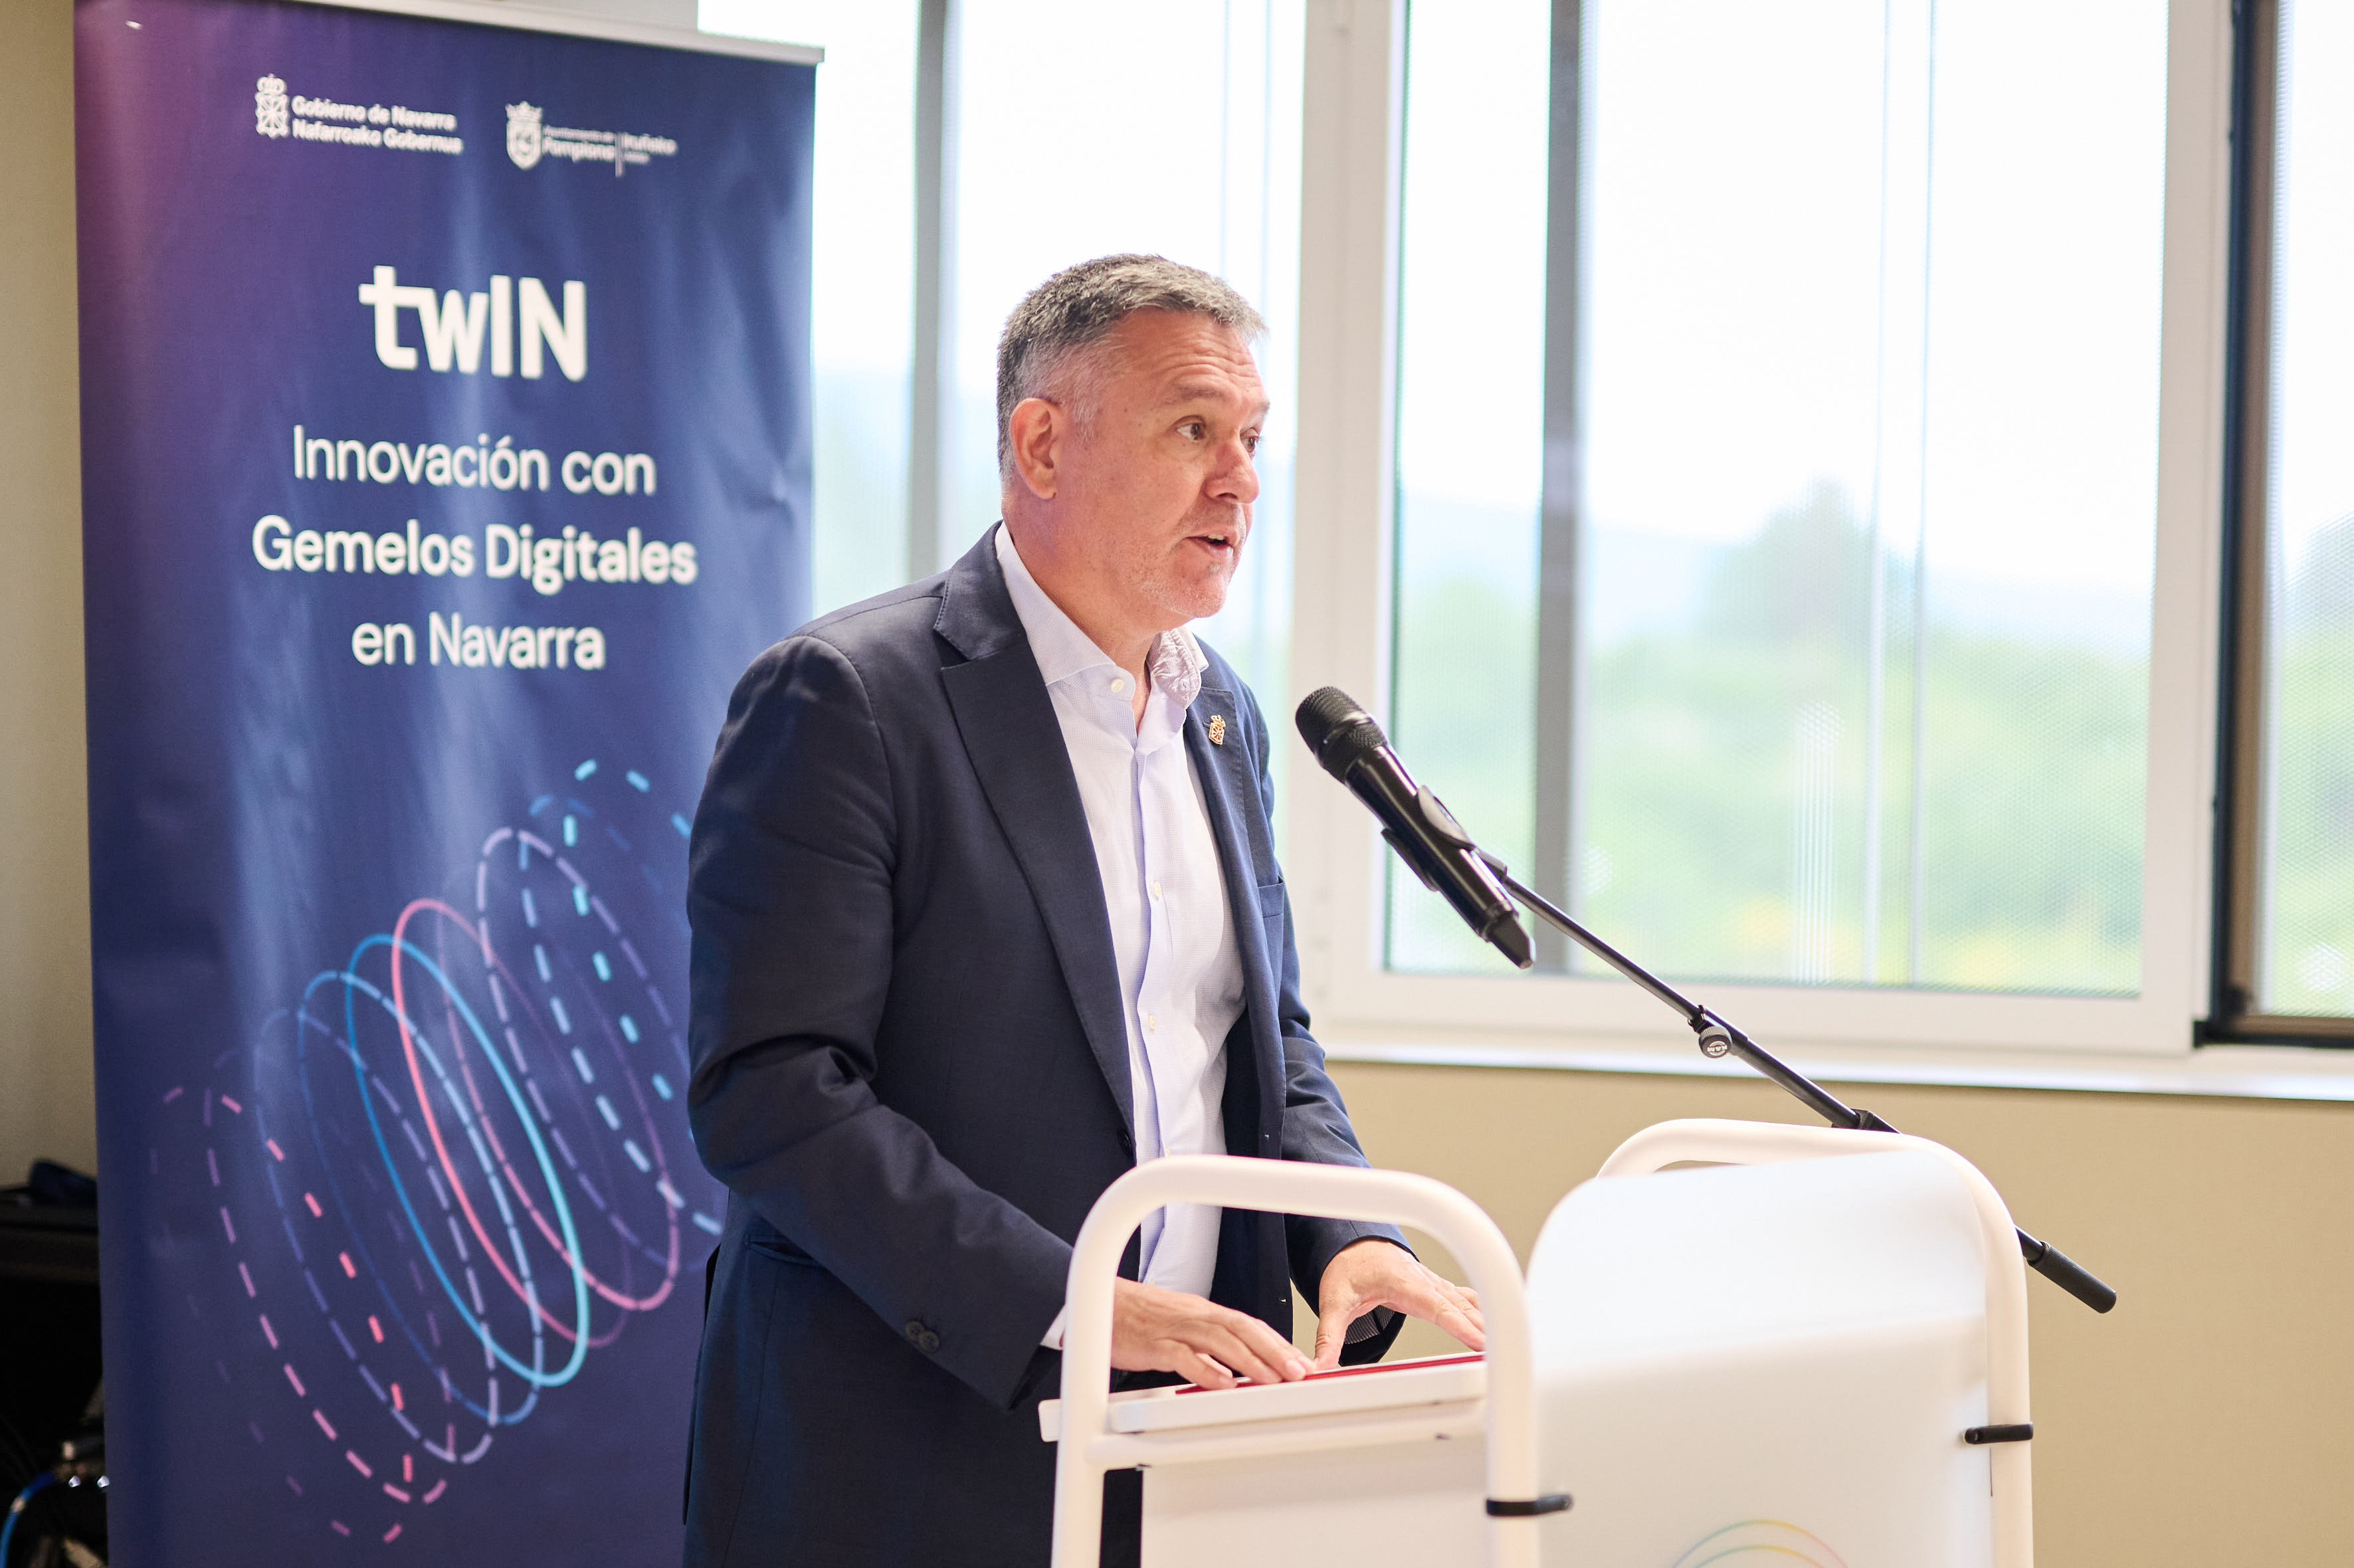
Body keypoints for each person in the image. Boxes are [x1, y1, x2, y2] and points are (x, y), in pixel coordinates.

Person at [680, 254, 1484, 1567]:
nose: (1241, 480)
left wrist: (1346, 1235)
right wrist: (1077, 1302)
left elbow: (1258, 1039)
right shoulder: (845, 698)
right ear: (1043, 443)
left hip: (1180, 1450)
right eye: (1192, 431)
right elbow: (771, 1095)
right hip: (903, 1452)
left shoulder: (1218, 715)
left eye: (1252, 438)